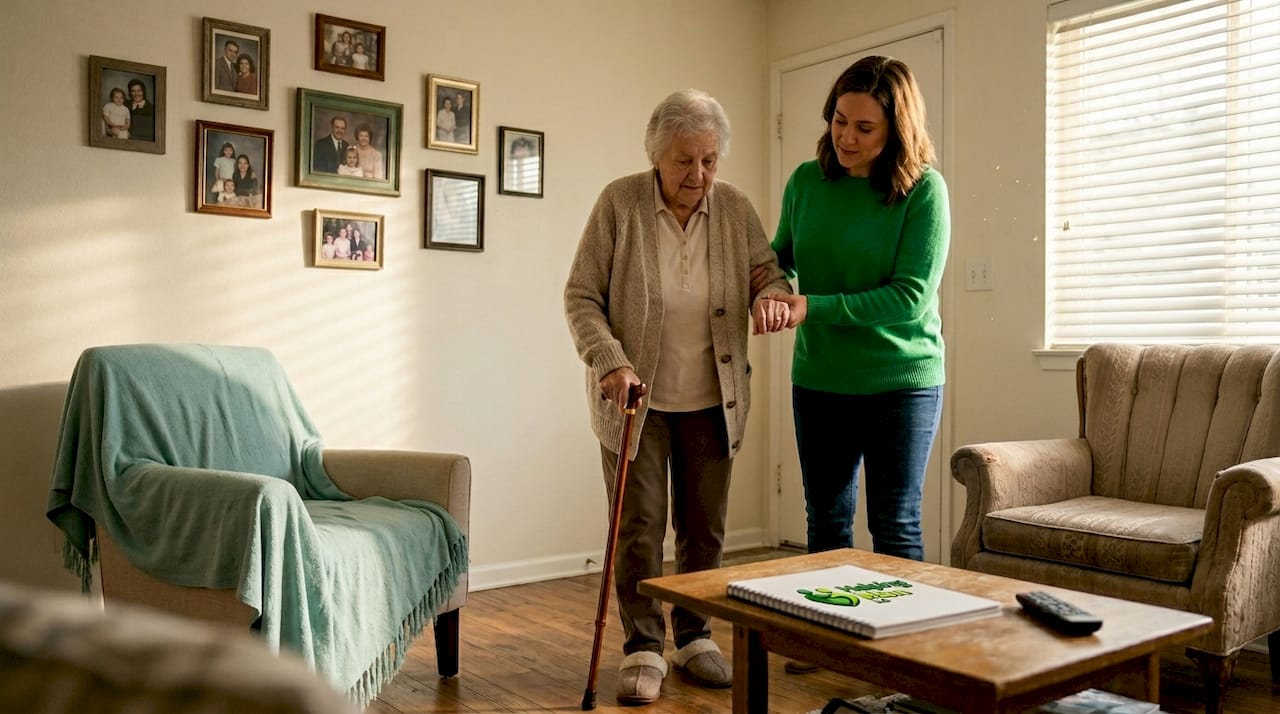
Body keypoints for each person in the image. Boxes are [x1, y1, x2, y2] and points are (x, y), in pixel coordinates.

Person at [564, 89, 792, 706]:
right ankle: (642, 647)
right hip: (636, 402)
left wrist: (772, 293)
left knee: (704, 529)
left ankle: (694, 637)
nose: (699, 176)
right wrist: (610, 362)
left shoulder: (736, 209)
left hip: (713, 400)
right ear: (656, 157)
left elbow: (766, 272)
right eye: (684, 161)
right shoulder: (620, 203)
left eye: (710, 160)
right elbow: (581, 296)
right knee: (639, 528)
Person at [753, 57, 951, 674]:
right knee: (827, 521)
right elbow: (777, 257)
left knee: (894, 523)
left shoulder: (923, 192)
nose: (846, 136)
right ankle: (828, 638)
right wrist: (771, 287)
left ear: (896, 129)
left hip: (902, 384)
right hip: (820, 380)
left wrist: (812, 305)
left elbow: (909, 296)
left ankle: (904, 648)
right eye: (840, 119)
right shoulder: (806, 182)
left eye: (864, 127)